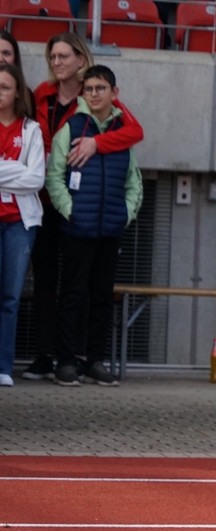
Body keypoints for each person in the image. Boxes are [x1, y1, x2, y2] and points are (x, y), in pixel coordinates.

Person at [23, 32, 143, 382]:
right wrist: (69, 208)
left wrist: (97, 143)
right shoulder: (41, 95)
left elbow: (134, 135)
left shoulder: (101, 99)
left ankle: (84, 357)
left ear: (81, 58)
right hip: (49, 202)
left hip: (95, 214)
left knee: (93, 289)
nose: (57, 62)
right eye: (52, 57)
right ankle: (49, 356)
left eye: (64, 56)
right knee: (49, 282)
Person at [0, 64, 45, 387]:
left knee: (10, 297)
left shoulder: (31, 130)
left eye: (4, 87)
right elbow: (25, 175)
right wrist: (17, 168)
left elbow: (36, 178)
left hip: (20, 223)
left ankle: (3, 367)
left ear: (18, 92)